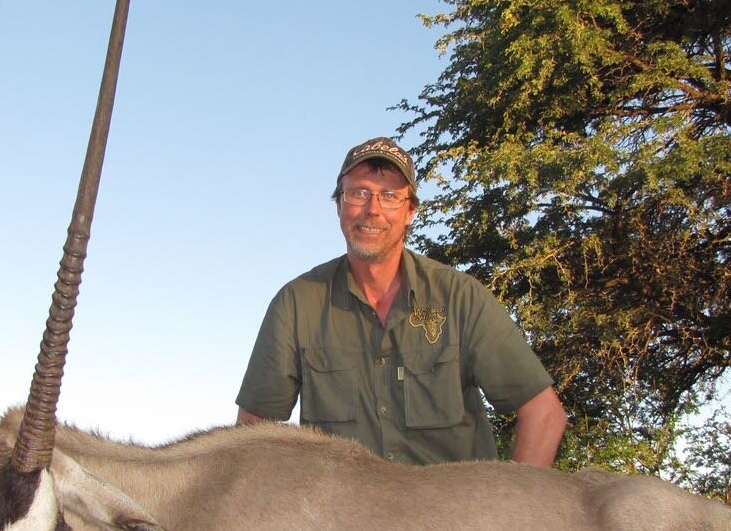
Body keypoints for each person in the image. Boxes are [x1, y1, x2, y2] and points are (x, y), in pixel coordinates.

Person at [236, 136, 567, 467]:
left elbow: (543, 413)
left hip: (452, 515)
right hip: (342, 516)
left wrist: (507, 513)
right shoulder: (296, 304)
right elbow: (251, 433)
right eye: (358, 193)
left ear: (410, 211)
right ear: (338, 206)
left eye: (390, 196)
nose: (373, 209)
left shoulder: (461, 297)